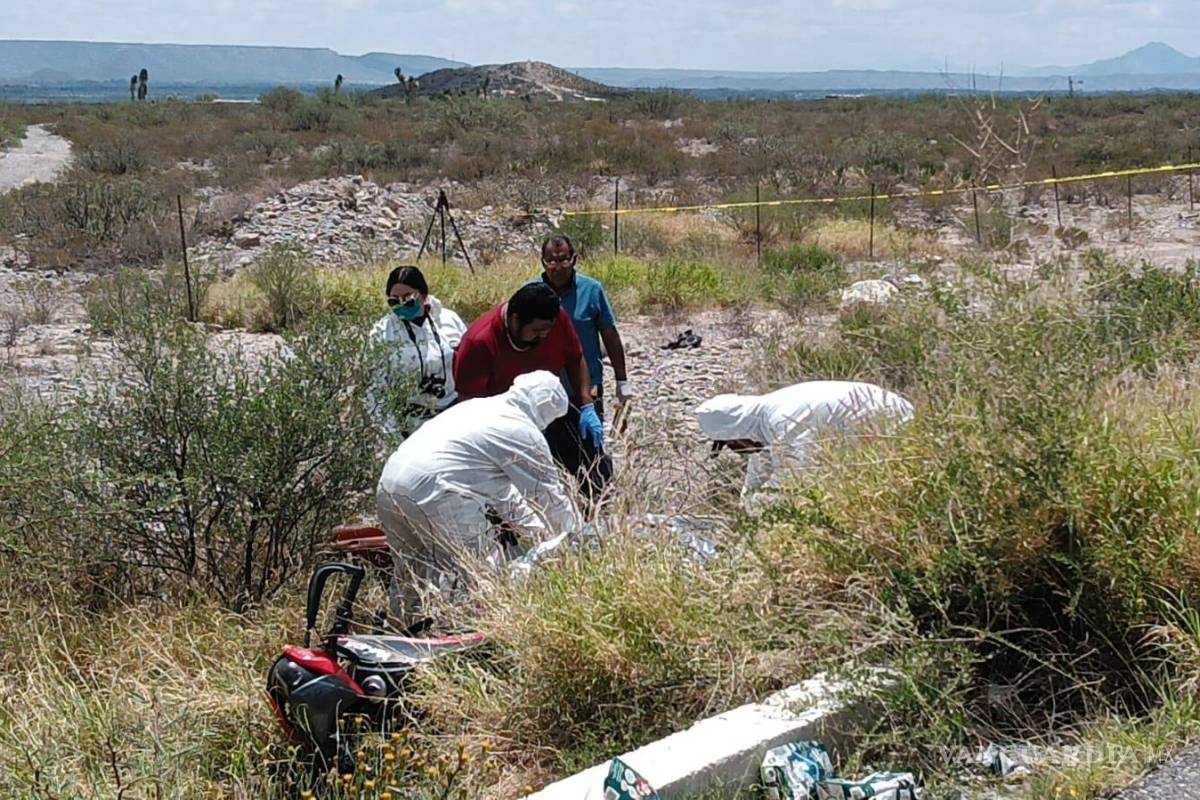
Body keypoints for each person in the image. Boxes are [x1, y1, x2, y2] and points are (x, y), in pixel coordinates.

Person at [376, 371, 581, 632]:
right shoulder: (522, 430)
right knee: (480, 572)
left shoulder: (478, 408)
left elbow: (505, 496)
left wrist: (538, 534)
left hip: (390, 483)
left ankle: (394, 642)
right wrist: (576, 540)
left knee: (410, 574)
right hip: (436, 491)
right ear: (545, 411)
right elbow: (550, 498)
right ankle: (478, 641)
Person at [695, 380, 914, 512]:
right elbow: (760, 467)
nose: (737, 452)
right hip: (868, 434)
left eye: (732, 445)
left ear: (738, 432)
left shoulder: (782, 419)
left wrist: (755, 506)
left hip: (895, 431)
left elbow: (796, 477)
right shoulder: (760, 421)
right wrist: (746, 500)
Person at [453, 282, 604, 469]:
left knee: (594, 463)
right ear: (515, 320)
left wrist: (587, 404)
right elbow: (469, 408)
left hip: (550, 412)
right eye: (537, 331)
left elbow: (575, 358)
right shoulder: (478, 343)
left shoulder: (554, 319)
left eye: (548, 330)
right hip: (504, 430)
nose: (545, 335)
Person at [529, 234, 631, 498]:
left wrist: (623, 382)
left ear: (574, 259)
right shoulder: (531, 293)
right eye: (551, 260)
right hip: (545, 392)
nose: (558, 266)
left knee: (592, 450)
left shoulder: (592, 290)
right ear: (543, 262)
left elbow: (610, 335)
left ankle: (599, 506)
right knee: (551, 453)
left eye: (563, 259)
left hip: (587, 391)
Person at [366, 266, 467, 440]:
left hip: (453, 416)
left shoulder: (450, 320)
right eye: (394, 301)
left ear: (423, 294)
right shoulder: (382, 333)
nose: (402, 305)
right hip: (410, 424)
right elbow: (377, 390)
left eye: (408, 299)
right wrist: (393, 438)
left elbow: (469, 364)